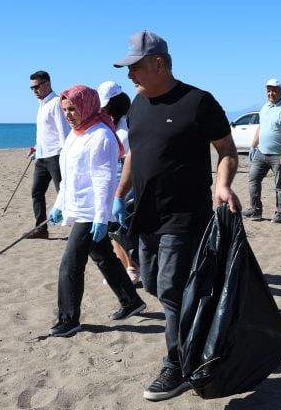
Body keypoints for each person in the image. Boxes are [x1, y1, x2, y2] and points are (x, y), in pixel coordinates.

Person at [111, 30, 241, 402]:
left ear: (159, 63)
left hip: (185, 215)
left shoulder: (198, 102)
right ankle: (200, 338)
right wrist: (121, 194)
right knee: (153, 285)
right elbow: (135, 153)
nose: (130, 75)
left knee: (169, 290)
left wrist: (222, 184)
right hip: (146, 215)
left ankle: (179, 364)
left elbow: (228, 151)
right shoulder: (136, 104)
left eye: (135, 67)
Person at [46, 84, 146, 338]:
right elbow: (69, 178)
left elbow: (104, 180)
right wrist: (58, 205)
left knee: (71, 263)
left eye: (73, 109)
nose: (69, 115)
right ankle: (131, 301)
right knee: (103, 256)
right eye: (65, 110)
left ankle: (69, 319)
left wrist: (102, 218)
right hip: (79, 208)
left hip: (93, 212)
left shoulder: (101, 135)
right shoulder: (75, 134)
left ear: (87, 107)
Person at [97, 80, 140, 285]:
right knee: (113, 226)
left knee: (123, 225)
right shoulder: (112, 121)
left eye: (106, 105)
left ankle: (132, 267)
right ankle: (123, 267)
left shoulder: (129, 121)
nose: (103, 108)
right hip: (114, 173)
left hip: (127, 175)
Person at [241, 78, 281, 223]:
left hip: (279, 154)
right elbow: (261, 127)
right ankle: (255, 210)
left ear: (280, 91)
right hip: (261, 152)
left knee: (280, 186)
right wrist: (253, 145)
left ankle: (280, 213)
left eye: (274, 90)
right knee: (253, 179)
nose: (271, 93)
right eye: (269, 90)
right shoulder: (265, 107)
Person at [27, 70, 70, 240]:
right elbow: (44, 133)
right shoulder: (42, 104)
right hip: (42, 157)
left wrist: (65, 156)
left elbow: (63, 133)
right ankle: (41, 229)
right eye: (32, 88)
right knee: (36, 192)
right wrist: (36, 149)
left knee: (64, 192)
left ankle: (80, 229)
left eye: (37, 87)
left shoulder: (56, 103)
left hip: (56, 156)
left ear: (47, 84)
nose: (34, 91)